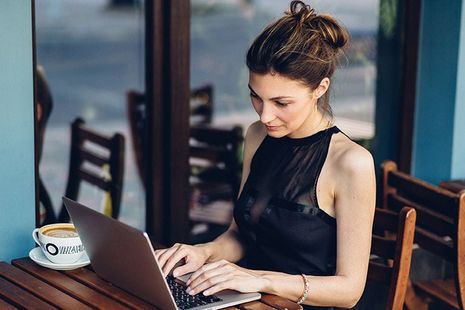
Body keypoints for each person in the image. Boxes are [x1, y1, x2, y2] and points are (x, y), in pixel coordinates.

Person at [155, 1, 376, 309]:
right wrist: (202, 252)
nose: (265, 115)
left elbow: (350, 291)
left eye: (281, 103)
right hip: (247, 299)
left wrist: (260, 279)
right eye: (256, 97)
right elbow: (240, 235)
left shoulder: (350, 163)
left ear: (320, 88)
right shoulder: (258, 135)